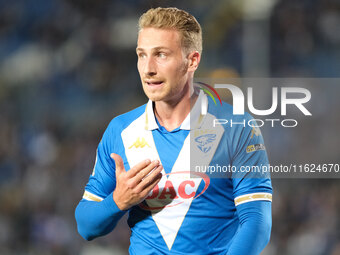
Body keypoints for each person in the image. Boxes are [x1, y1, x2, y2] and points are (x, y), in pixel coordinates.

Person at [75, 7, 272, 255]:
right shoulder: (121, 130)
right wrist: (118, 201)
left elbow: (257, 223)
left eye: (161, 55)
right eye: (142, 55)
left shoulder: (237, 127)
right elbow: (86, 225)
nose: (148, 68)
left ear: (192, 60)